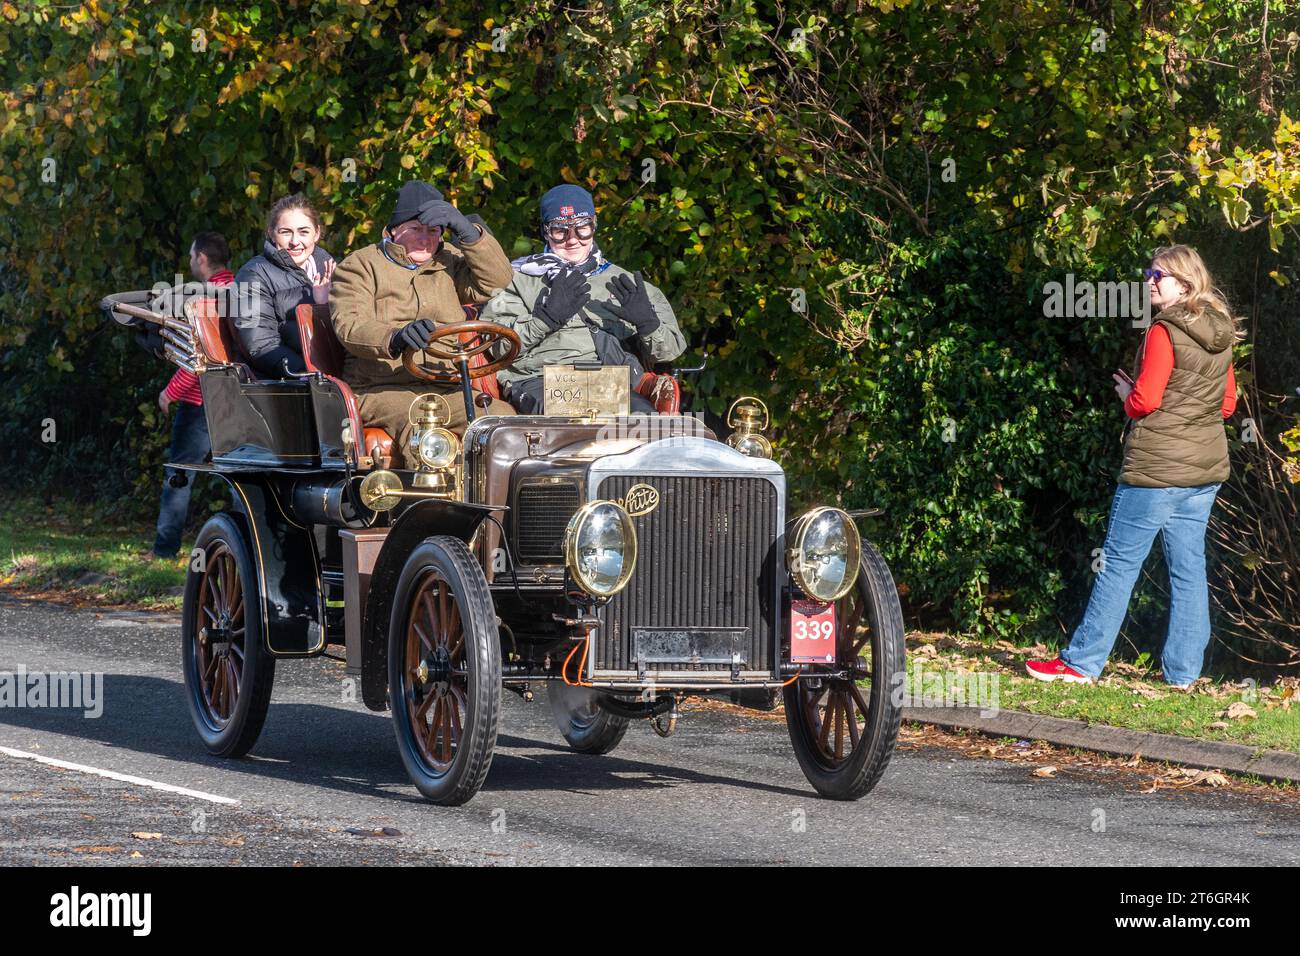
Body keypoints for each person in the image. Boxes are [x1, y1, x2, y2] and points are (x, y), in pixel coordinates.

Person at [1028, 245, 1240, 689]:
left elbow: (1146, 401)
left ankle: (1081, 663)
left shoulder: (1164, 330)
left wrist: (1127, 394)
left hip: (1156, 471)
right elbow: (1226, 404)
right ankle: (1183, 675)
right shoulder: (1221, 332)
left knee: (1119, 565)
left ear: (1182, 283)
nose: (1148, 282)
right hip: (1203, 473)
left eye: (1155, 275)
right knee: (1189, 569)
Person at [329, 180, 516, 464]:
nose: (425, 238)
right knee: (425, 429)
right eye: (415, 229)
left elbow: (497, 282)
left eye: (434, 230)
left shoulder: (449, 261)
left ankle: (500, 504)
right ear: (393, 230)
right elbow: (350, 325)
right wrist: (396, 337)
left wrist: (468, 232)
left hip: (447, 384)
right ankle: (426, 505)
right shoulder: (360, 265)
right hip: (381, 387)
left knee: (503, 425)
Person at [480, 184, 686, 413]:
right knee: (569, 423)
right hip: (541, 378)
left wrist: (648, 323)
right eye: (560, 230)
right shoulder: (517, 279)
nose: (572, 239)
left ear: (594, 225)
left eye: (582, 228)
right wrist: (545, 319)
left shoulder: (625, 283)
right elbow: (497, 348)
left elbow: (670, 351)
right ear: (545, 232)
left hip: (609, 381)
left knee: (643, 423)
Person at [148, 231, 234, 560]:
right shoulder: (240, 291)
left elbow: (199, 358)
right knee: (241, 477)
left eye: (190, 255)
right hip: (235, 402)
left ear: (201, 258)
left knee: (179, 475)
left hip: (201, 405)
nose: (189, 261)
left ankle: (165, 550)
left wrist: (169, 393)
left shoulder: (206, 299)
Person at [234, 194, 334, 377]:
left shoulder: (331, 267)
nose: (295, 241)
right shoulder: (252, 274)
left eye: (304, 232)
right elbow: (259, 343)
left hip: (339, 370)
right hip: (292, 380)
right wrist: (307, 373)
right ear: (272, 233)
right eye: (286, 232)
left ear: (317, 233)